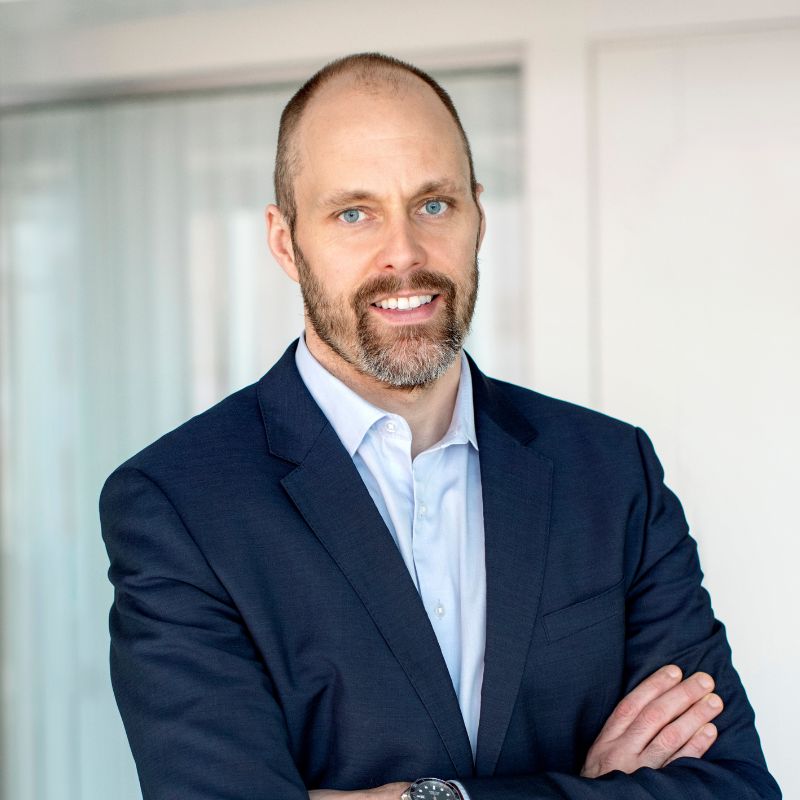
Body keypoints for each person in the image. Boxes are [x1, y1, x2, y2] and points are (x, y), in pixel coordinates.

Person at [100, 52, 780, 800]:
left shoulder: (612, 472)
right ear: (285, 241)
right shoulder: (179, 505)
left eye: (433, 205)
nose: (403, 254)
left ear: (478, 216)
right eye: (353, 213)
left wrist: (428, 798)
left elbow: (736, 788)